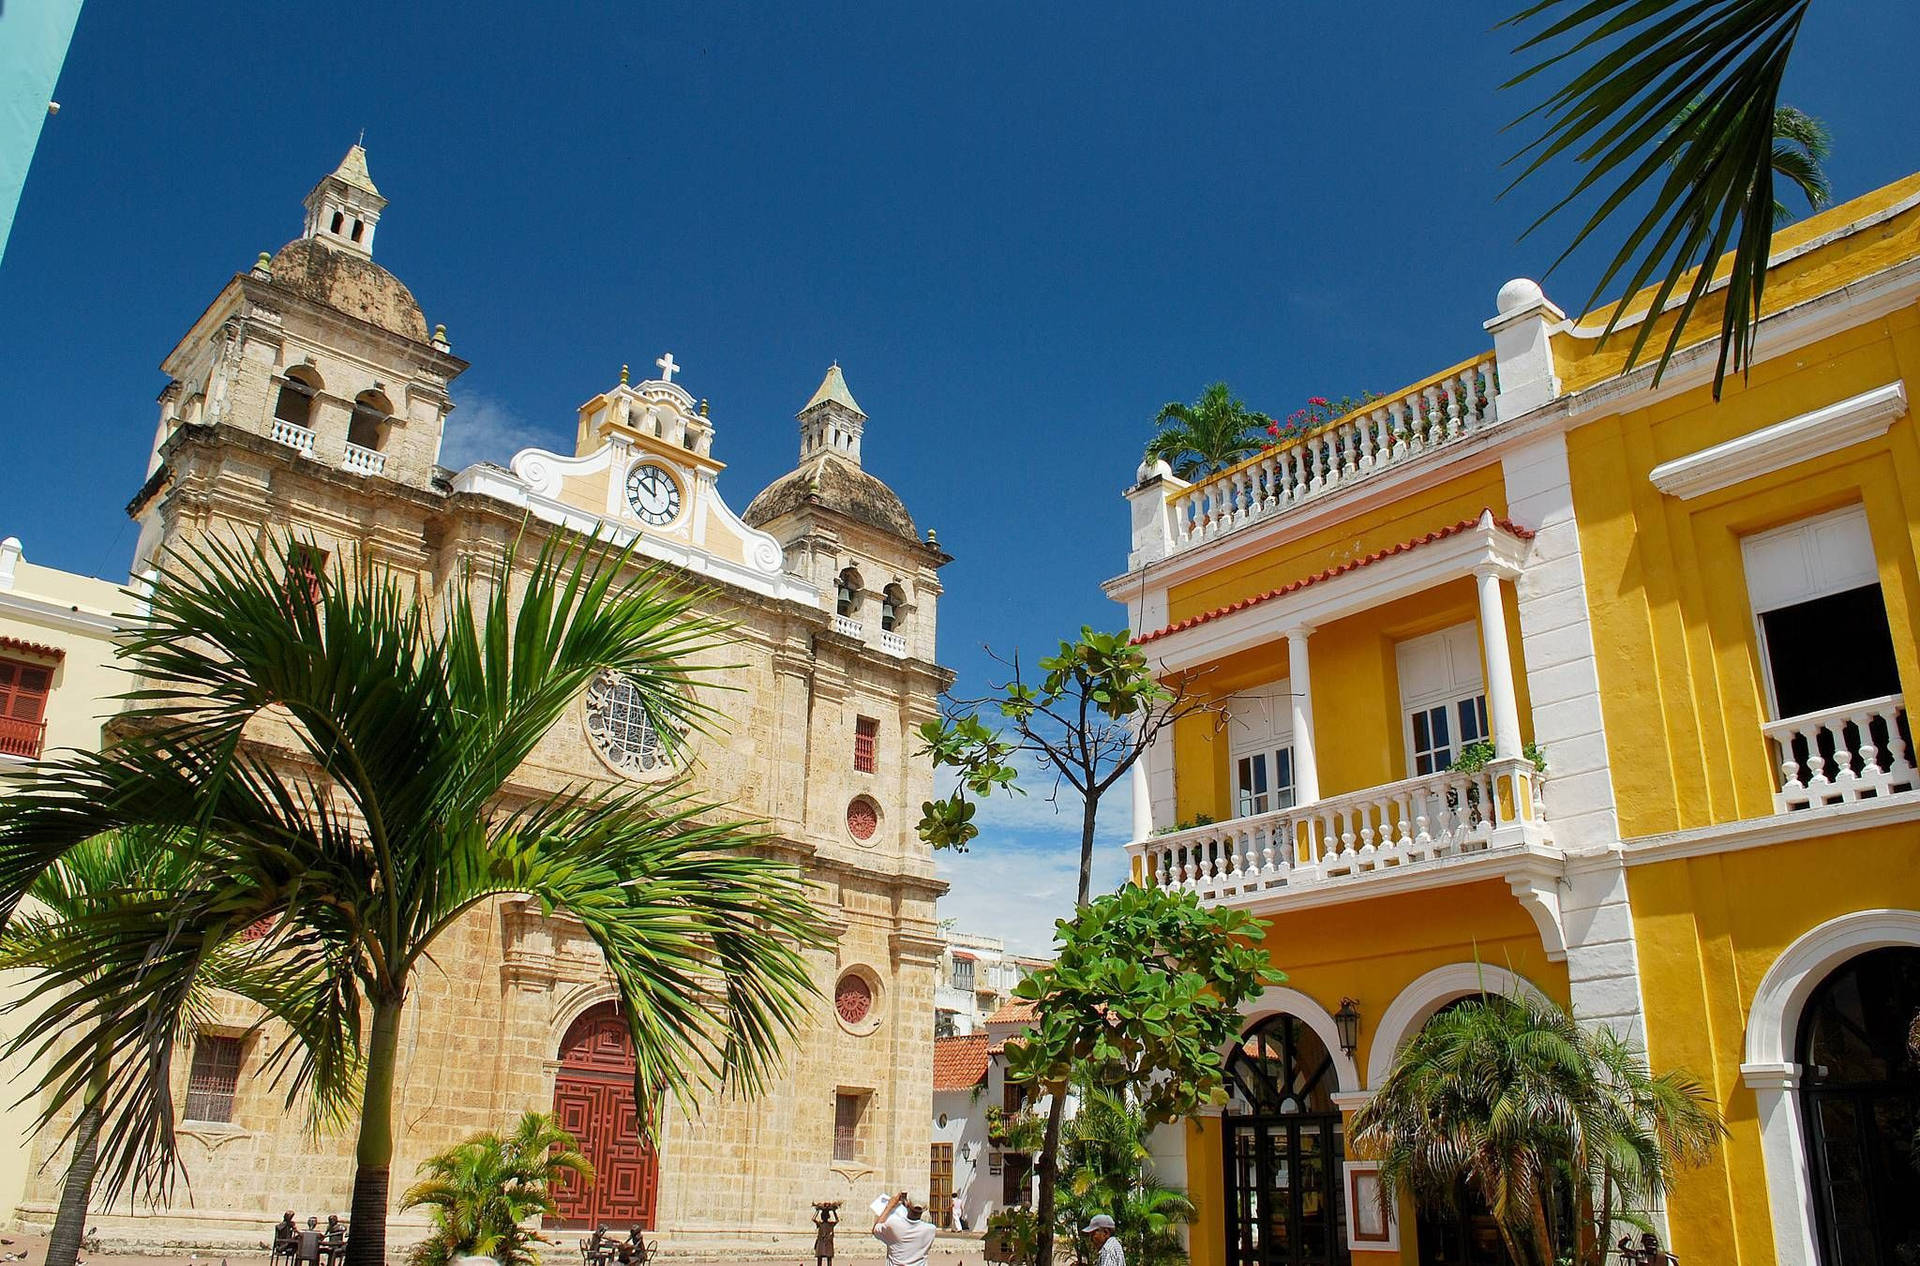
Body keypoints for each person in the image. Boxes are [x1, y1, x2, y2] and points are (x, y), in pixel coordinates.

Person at [872, 1191, 937, 1266]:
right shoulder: (931, 1229)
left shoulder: (894, 1225)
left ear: (907, 1204)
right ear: (926, 1208)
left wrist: (890, 1206)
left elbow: (875, 1229)